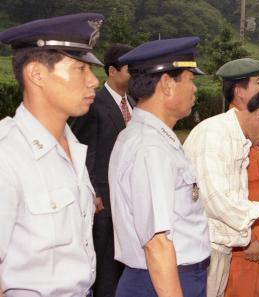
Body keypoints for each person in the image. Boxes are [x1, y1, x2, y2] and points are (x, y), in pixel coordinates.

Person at [0, 13, 104, 296]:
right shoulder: (7, 155)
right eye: (80, 69)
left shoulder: (73, 148)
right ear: (36, 74)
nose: (93, 81)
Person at [108, 36, 211, 297]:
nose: (195, 89)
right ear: (167, 84)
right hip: (161, 280)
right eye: (190, 80)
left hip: (167, 277)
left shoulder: (154, 138)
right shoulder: (150, 147)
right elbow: (157, 244)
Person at [183, 83, 259, 297]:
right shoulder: (214, 135)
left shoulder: (240, 141)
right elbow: (218, 201)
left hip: (219, 251)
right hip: (199, 255)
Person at [71, 44, 133, 297]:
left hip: (127, 203)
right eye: (131, 69)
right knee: (104, 269)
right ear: (113, 71)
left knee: (122, 266)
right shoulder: (93, 105)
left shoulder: (134, 104)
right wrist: (93, 192)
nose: (135, 74)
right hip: (103, 204)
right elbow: (81, 150)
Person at [215, 58, 259, 297]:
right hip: (244, 243)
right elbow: (228, 194)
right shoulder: (230, 134)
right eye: (258, 83)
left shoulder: (251, 129)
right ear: (240, 92)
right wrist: (248, 238)